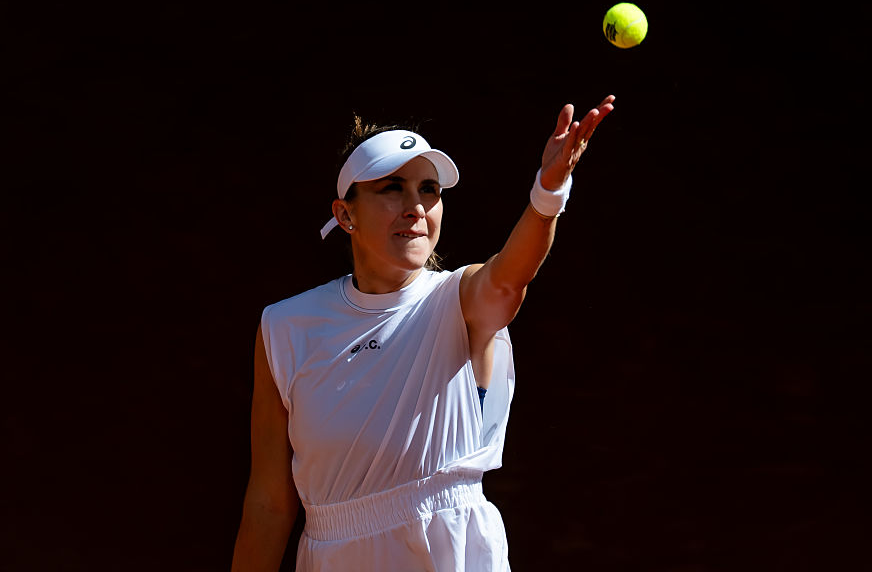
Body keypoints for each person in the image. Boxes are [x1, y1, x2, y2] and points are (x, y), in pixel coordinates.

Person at [231, 95, 616, 571]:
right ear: (346, 215)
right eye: (392, 188)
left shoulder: (461, 297)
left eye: (429, 190)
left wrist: (548, 193)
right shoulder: (284, 325)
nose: (416, 206)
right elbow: (269, 501)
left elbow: (508, 279)